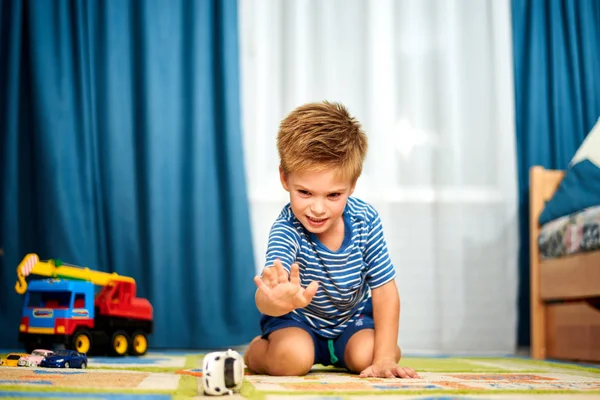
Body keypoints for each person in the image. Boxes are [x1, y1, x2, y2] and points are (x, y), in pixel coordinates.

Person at [243, 101, 418, 379]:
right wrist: (278, 300)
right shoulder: (286, 230)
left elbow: (385, 291)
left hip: (352, 322)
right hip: (297, 322)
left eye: (333, 195)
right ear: (284, 178)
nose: (318, 209)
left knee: (370, 356)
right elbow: (266, 296)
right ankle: (256, 351)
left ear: (352, 185)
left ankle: (362, 352)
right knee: (292, 360)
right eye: (305, 192)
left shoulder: (365, 221)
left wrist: (383, 358)